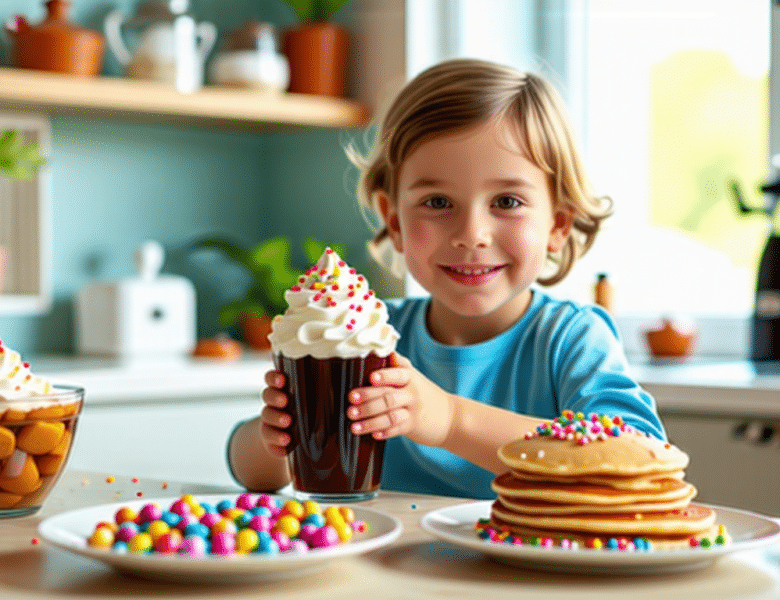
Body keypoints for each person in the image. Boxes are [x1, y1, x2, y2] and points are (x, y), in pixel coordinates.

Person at [228, 58, 666, 499]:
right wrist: (277, 441)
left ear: (557, 225)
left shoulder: (572, 338)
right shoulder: (368, 335)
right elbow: (252, 474)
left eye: (507, 201)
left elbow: (637, 458)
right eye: (438, 202)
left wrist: (450, 421)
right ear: (394, 222)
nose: (471, 234)